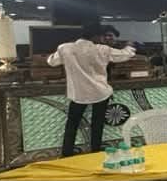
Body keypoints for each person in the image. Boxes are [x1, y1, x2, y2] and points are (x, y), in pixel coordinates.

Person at [48, 22, 136, 157]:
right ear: (96, 36)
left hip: (78, 93)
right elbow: (124, 55)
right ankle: (95, 152)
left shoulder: (65, 48)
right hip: (100, 92)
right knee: (97, 124)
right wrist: (129, 46)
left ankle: (67, 154)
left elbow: (52, 62)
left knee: (72, 124)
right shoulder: (102, 49)